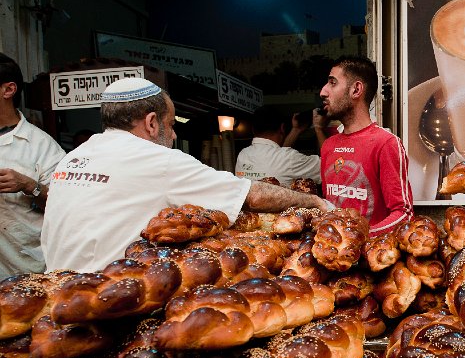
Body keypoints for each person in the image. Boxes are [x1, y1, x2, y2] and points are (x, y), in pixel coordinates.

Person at [41, 77, 331, 273]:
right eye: (171, 123)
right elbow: (251, 195)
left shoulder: (73, 157)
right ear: (152, 123)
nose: (175, 133)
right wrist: (316, 203)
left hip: (59, 293)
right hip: (110, 298)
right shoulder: (158, 159)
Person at [319, 55, 413, 236]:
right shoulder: (328, 146)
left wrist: (359, 239)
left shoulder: (386, 143)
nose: (323, 91)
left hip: (372, 258)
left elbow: (404, 215)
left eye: (332, 83)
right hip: (333, 256)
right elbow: (329, 207)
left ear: (356, 90)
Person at [0, 53, 65, 278]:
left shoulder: (41, 146)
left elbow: (65, 207)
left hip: (29, 270)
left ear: (8, 90)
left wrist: (29, 185)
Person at [234, 105, 321, 185]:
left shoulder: (243, 155)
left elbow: (277, 157)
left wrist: (296, 130)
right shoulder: (288, 158)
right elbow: (328, 166)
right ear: (282, 128)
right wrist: (319, 128)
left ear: (253, 130)